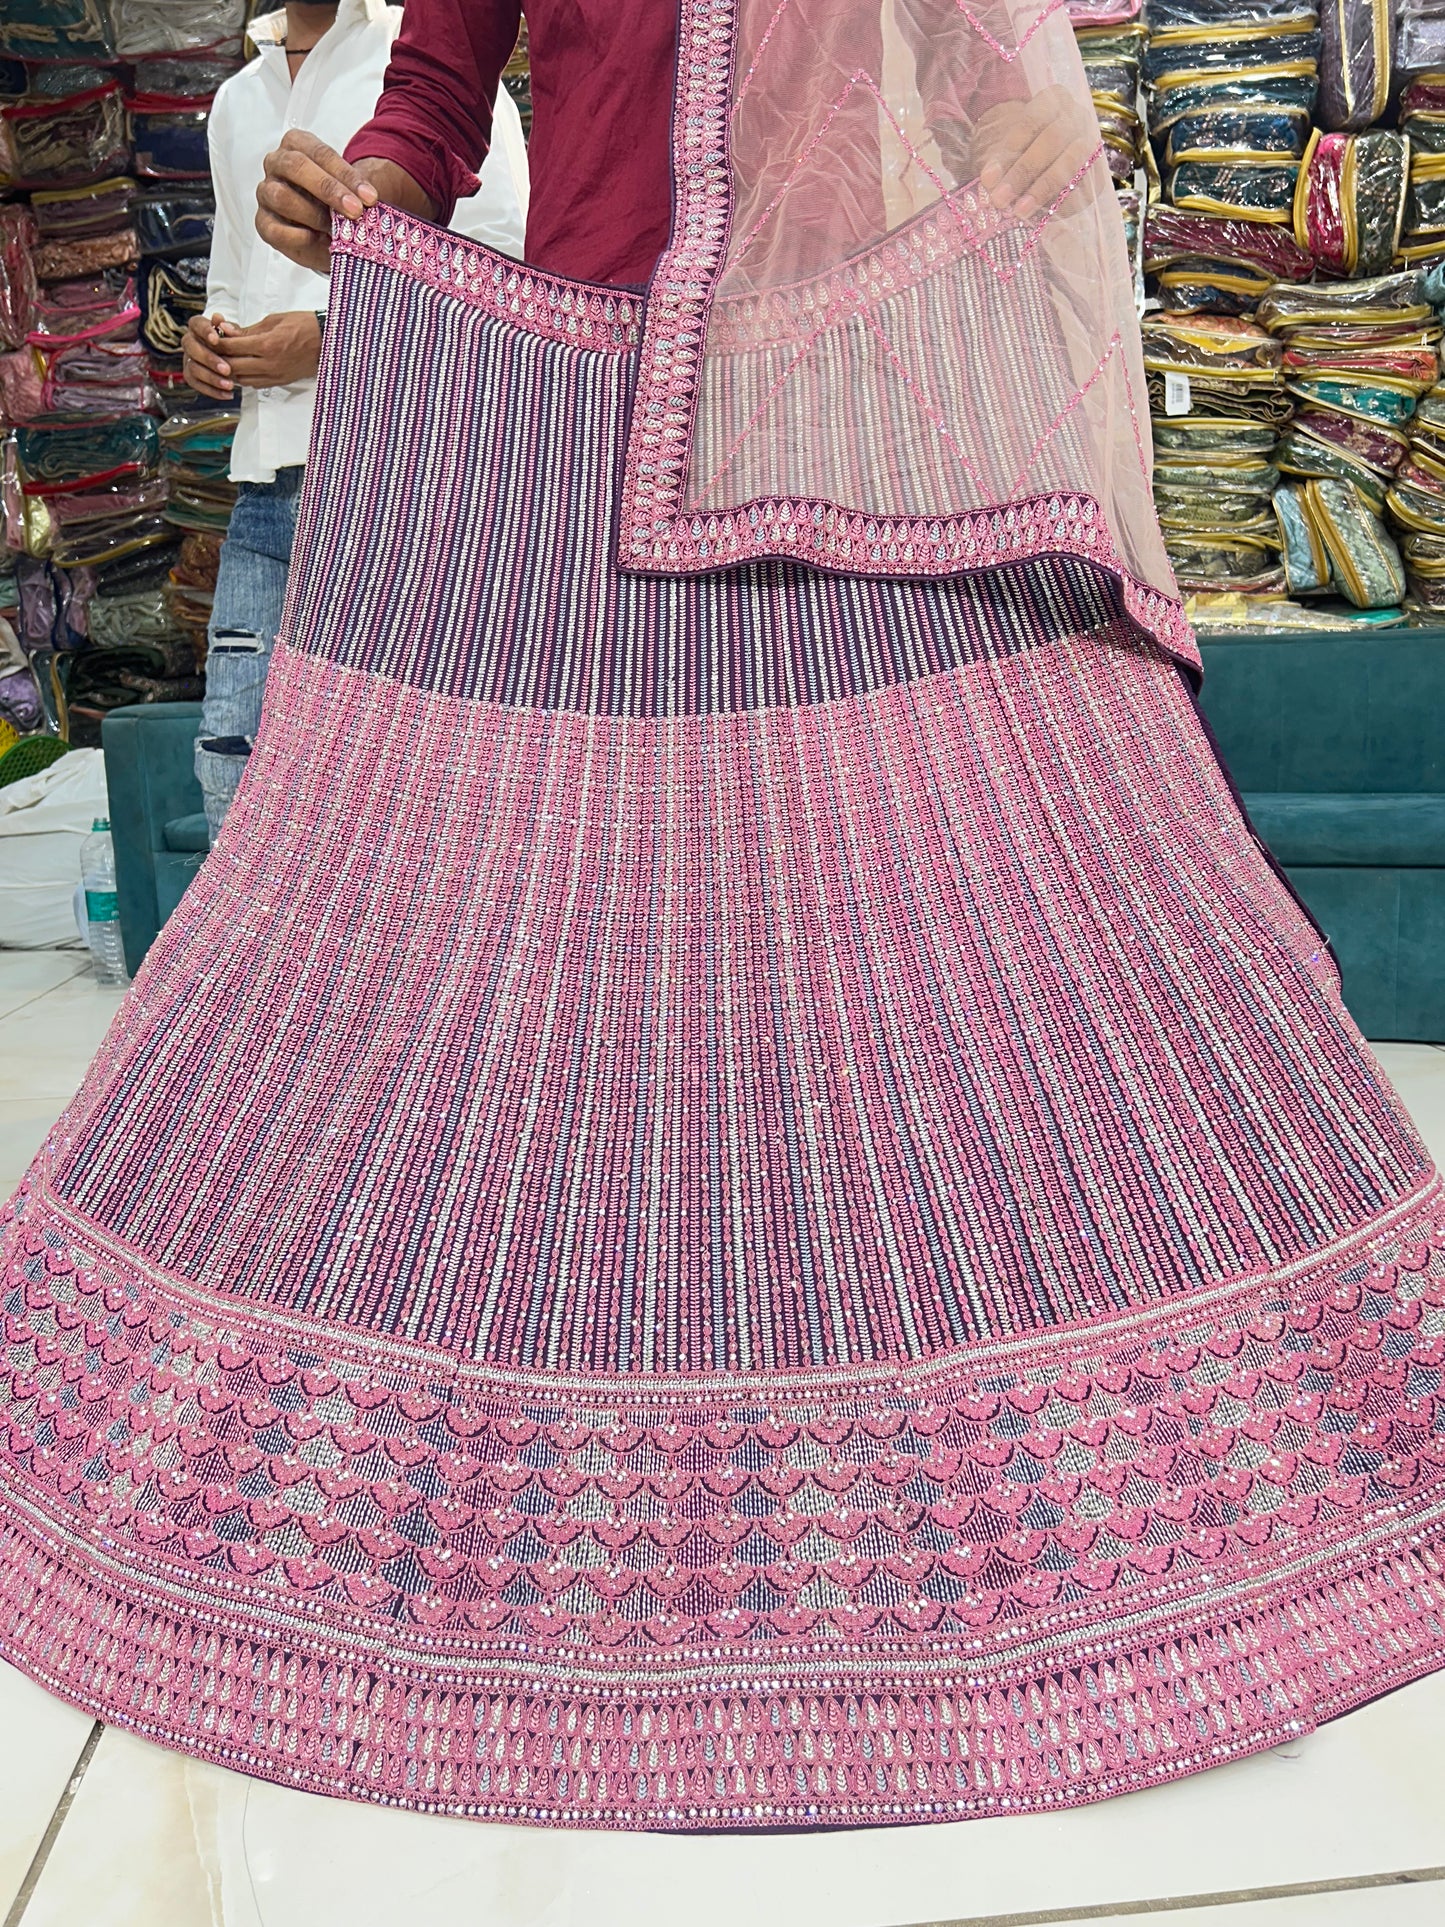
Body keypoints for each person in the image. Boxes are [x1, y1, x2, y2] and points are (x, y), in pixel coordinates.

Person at [1, 0, 1443, 1837]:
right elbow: (437, 100)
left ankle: (1068, 1475)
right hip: (573, 433)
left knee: (959, 907)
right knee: (535, 934)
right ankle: (583, 1502)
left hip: (848, 405)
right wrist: (357, 192)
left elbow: (992, 88)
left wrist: (1018, 159)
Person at [182, 0, 527, 838]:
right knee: (232, 760)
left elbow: (506, 262)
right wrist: (210, 335)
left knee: (401, 781)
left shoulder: (426, 73)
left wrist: (334, 338)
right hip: (266, 482)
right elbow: (234, 274)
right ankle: (266, 971)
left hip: (392, 477)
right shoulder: (236, 100)